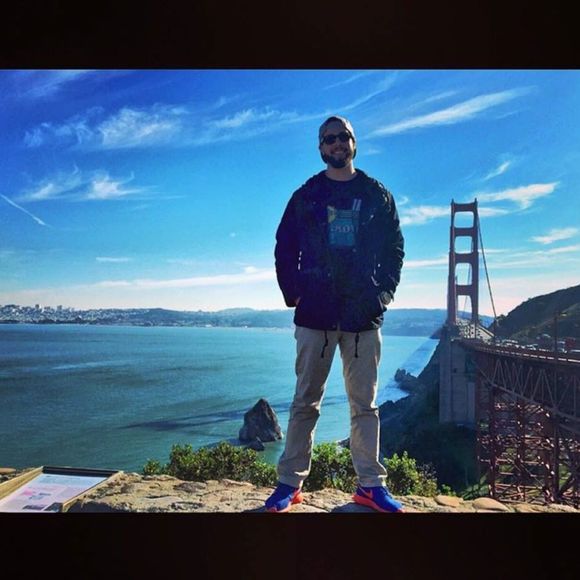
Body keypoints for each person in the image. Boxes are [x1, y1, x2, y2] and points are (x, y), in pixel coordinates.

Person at [265, 115, 405, 513]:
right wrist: (294, 294)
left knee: (365, 406)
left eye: (343, 136)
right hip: (316, 315)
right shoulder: (306, 194)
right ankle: (289, 484)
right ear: (320, 147)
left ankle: (370, 486)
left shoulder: (377, 195)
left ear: (354, 142)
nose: (337, 143)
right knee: (305, 402)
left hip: (363, 317)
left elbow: (395, 248)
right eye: (329, 138)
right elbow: (284, 246)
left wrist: (382, 295)